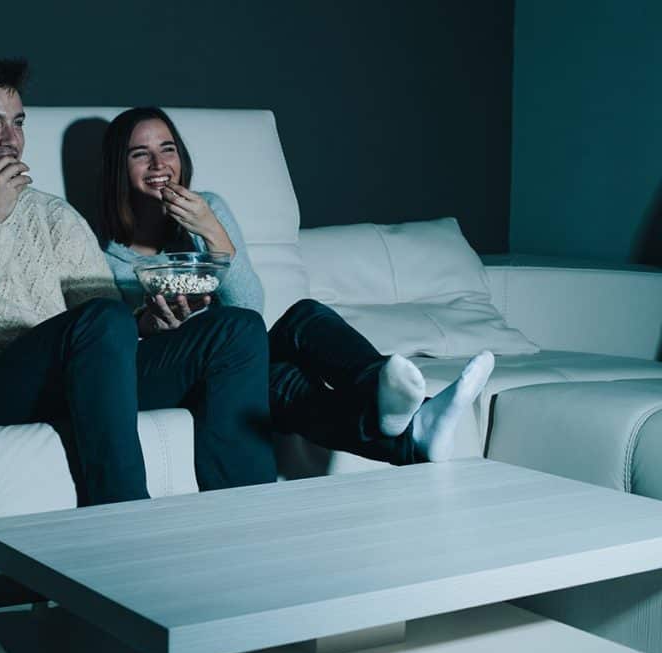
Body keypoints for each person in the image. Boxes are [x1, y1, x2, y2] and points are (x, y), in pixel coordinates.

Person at [0, 61, 277, 506]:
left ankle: (244, 514)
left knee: (236, 330)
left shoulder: (54, 215)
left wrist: (147, 323)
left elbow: (106, 322)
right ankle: (125, 517)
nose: (11, 139)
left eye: (18, 123)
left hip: (61, 378)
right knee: (102, 319)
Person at [99, 107, 495, 465]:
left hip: (240, 348)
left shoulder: (209, 208)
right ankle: (415, 424)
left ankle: (384, 390)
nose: (158, 164)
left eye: (167, 149)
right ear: (121, 166)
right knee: (280, 380)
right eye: (140, 154)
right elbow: (114, 350)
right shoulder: (109, 257)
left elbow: (249, 307)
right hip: (188, 369)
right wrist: (148, 325)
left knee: (306, 316)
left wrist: (212, 232)